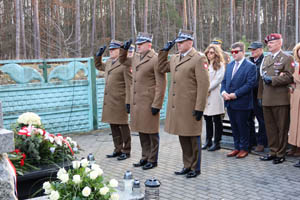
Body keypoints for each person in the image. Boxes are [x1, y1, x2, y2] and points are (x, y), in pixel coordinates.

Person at [158, 29, 209, 178]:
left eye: (181, 42)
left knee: (193, 137)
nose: (178, 45)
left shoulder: (199, 58)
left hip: (191, 106)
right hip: (178, 106)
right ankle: (187, 165)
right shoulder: (174, 58)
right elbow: (161, 68)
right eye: (177, 42)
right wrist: (163, 52)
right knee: (183, 137)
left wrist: (200, 107)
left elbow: (203, 84)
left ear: (190, 42)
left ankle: (195, 168)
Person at [119, 32, 166, 170]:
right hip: (137, 102)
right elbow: (123, 61)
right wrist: (124, 50)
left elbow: (161, 83)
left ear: (149, 45)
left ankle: (153, 159)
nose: (138, 46)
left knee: (152, 133)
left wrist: (157, 104)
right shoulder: (136, 57)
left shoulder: (155, 59)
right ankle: (144, 157)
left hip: (149, 102)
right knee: (142, 131)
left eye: (141, 44)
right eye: (137, 44)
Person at [258, 33, 294, 164]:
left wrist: (273, 80)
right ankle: (273, 151)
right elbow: (261, 79)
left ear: (279, 43)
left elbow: (290, 77)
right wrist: (260, 96)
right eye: (268, 43)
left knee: (281, 127)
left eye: (272, 42)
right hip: (267, 99)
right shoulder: (266, 59)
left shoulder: (287, 58)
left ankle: (280, 153)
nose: (269, 45)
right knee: (270, 128)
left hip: (280, 99)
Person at [94, 39, 132, 161]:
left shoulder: (125, 64)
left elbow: (129, 84)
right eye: (110, 50)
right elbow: (99, 66)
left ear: (120, 50)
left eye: (113, 49)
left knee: (123, 127)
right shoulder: (110, 62)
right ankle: (118, 149)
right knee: (113, 126)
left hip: (120, 101)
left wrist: (128, 101)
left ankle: (126, 150)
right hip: (110, 101)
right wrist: (98, 56)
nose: (111, 52)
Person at [221, 42, 257, 159]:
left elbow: (250, 84)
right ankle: (236, 147)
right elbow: (224, 82)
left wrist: (235, 95)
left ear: (243, 52)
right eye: (232, 52)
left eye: (236, 52)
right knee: (234, 126)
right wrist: (223, 92)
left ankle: (244, 148)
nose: (234, 54)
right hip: (230, 102)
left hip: (242, 102)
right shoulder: (230, 65)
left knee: (243, 127)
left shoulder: (250, 66)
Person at [202, 44, 225, 151]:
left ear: (216, 54)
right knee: (207, 119)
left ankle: (217, 142)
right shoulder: (205, 64)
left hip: (215, 94)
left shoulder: (220, 64)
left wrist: (207, 89)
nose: (209, 54)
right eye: (208, 52)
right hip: (205, 96)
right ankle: (208, 140)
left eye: (211, 52)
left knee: (216, 119)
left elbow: (218, 79)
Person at [247, 41, 268, 152]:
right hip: (249, 95)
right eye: (251, 49)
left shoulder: (265, 61)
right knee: (249, 119)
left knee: (261, 120)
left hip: (259, 94)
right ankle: (252, 142)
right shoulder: (249, 61)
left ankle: (261, 143)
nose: (252, 51)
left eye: (254, 49)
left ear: (260, 50)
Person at [288, 43, 300, 168]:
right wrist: (291, 87)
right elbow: (292, 80)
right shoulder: (296, 66)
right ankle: (295, 147)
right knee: (295, 124)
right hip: (295, 96)